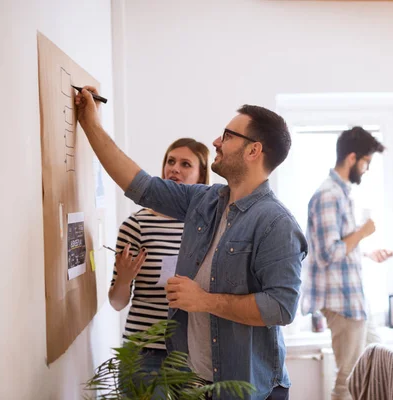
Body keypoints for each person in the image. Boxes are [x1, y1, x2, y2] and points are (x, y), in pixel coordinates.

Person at [74, 86, 307, 400]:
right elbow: (140, 184)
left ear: (253, 151)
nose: (216, 142)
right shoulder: (205, 200)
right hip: (193, 387)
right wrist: (91, 124)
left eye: (227, 135)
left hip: (249, 392)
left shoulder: (277, 223)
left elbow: (281, 307)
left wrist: (204, 300)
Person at [301, 126, 393, 400]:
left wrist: (366, 252)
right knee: (348, 379)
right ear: (352, 158)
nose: (366, 169)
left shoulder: (340, 194)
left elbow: (338, 246)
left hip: (354, 300)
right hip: (342, 303)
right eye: (366, 162)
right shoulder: (328, 195)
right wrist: (363, 232)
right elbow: (328, 253)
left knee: (379, 362)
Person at [109, 138, 210, 384]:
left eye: (186, 164)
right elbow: (117, 302)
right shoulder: (137, 225)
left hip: (193, 353)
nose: (174, 168)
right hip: (144, 353)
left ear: (201, 176)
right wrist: (123, 279)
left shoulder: (209, 227)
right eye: (170, 161)